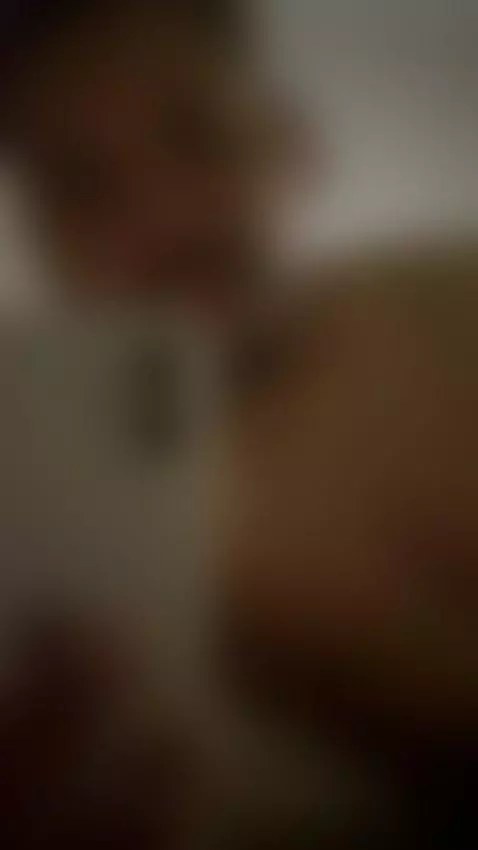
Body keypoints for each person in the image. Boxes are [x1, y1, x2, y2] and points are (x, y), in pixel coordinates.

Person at [0, 0, 477, 845]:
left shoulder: (457, 314)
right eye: (82, 187)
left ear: (291, 146)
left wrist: (282, 628)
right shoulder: (28, 499)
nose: (165, 222)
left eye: (200, 136)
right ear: (46, 242)